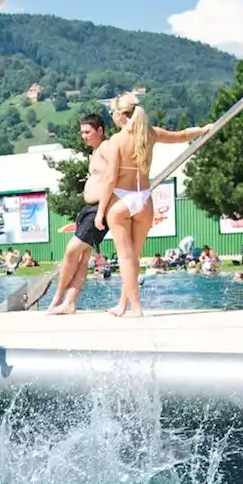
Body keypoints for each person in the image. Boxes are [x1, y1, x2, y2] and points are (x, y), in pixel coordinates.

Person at [95, 92, 212, 317]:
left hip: (121, 200)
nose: (111, 117)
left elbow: (110, 180)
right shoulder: (150, 134)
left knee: (126, 258)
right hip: (144, 200)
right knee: (133, 259)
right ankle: (123, 304)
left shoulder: (116, 142)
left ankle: (136, 307)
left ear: (121, 114)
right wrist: (204, 129)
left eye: (112, 113)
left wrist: (100, 212)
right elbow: (182, 135)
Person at [46, 114, 110, 315]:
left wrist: (101, 212)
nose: (83, 136)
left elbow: (113, 178)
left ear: (100, 130)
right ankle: (70, 302)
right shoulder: (96, 151)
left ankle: (57, 299)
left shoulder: (107, 148)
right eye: (82, 132)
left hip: (99, 208)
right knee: (82, 257)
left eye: (87, 132)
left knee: (71, 250)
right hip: (89, 209)